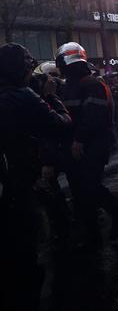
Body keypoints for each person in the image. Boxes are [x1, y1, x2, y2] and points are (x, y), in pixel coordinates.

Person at [0, 43, 72, 310]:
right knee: (25, 253)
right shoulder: (24, 96)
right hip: (18, 186)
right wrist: (52, 97)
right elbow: (62, 125)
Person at [56, 41, 118, 246]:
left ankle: (117, 212)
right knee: (79, 191)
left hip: (92, 145)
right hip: (76, 146)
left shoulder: (91, 84)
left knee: (89, 187)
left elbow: (93, 117)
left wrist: (79, 139)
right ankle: (90, 233)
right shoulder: (69, 86)